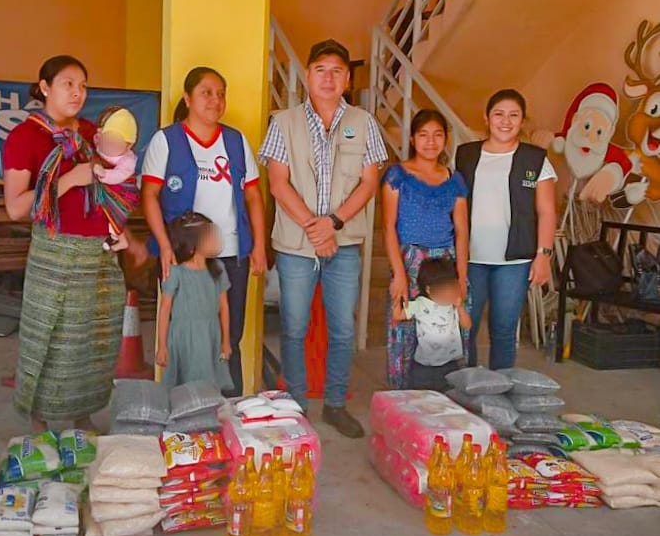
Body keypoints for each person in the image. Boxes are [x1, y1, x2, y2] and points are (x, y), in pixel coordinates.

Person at [260, 39, 388, 438]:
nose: (328, 78)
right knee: (294, 327)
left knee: (343, 329)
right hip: (296, 245)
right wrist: (315, 229)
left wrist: (332, 223)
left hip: (343, 243)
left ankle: (334, 404)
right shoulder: (284, 122)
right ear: (307, 76)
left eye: (336, 71)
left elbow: (369, 182)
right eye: (320, 70)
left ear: (347, 78)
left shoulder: (364, 123)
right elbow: (278, 184)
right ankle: (296, 403)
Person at [3, 55, 125, 432]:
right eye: (68, 84)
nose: (77, 92)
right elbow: (15, 207)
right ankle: (39, 420)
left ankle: (82, 415)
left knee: (93, 340)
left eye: (83, 85)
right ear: (44, 87)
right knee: (49, 338)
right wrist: (71, 179)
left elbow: (105, 189)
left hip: (97, 253)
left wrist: (118, 228)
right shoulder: (25, 137)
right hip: (54, 254)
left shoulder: (90, 133)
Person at [141, 67, 266, 397]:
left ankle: (229, 405)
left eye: (221, 94)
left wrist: (258, 245)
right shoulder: (167, 140)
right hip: (184, 258)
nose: (215, 100)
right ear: (188, 98)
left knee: (229, 334)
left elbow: (254, 196)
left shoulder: (236, 141)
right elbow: (149, 196)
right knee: (186, 335)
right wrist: (165, 246)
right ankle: (186, 405)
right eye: (206, 93)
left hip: (231, 255)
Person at [455, 89, 557, 370]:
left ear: (522, 120)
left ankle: (499, 389)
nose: (506, 121)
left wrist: (543, 255)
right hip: (470, 258)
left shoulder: (535, 159)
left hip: (515, 261)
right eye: (499, 114)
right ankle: (466, 387)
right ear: (486, 118)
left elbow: (546, 211)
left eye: (514, 115)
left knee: (503, 329)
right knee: (465, 327)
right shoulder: (465, 155)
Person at [381, 109, 469, 390]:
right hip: (409, 260)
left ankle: (447, 391)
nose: (430, 142)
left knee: (447, 325)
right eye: (423, 135)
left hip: (445, 261)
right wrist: (399, 274)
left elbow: (462, 231)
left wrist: (462, 275)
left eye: (437, 135)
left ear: (445, 139)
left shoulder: (454, 179)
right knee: (406, 327)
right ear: (412, 138)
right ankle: (405, 393)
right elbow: (389, 227)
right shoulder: (398, 175)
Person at [155, 211, 234, 392]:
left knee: (209, 386)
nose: (215, 241)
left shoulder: (218, 269)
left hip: (211, 335)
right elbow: (165, 310)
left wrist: (225, 341)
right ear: (192, 244)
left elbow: (224, 307)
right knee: (186, 388)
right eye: (209, 238)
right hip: (184, 337)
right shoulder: (176, 272)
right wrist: (162, 346)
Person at [393, 258, 471, 392]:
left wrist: (460, 308)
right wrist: (396, 298)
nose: (450, 294)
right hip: (424, 366)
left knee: (449, 397)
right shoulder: (420, 303)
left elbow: (467, 325)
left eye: (452, 288)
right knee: (421, 397)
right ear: (429, 289)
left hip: (450, 364)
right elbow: (398, 315)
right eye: (445, 290)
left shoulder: (453, 305)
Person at [90, 106, 141, 252]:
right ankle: (120, 239)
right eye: (108, 141)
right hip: (106, 188)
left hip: (123, 192)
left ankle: (114, 237)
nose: (110, 145)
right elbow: (96, 149)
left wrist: (104, 175)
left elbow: (119, 175)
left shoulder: (128, 160)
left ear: (128, 145)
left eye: (115, 143)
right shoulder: (101, 146)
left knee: (114, 213)